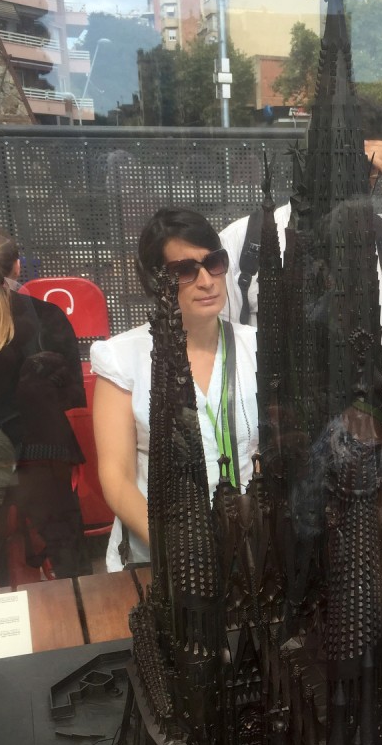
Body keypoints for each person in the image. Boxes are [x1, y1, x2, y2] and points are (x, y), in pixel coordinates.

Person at [91, 209, 259, 573]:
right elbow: (117, 478)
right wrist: (180, 551)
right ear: (156, 281)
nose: (207, 281)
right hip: (158, 557)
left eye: (214, 263)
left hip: (248, 552)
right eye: (185, 270)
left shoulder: (256, 346)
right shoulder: (122, 357)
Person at [219, 103, 382, 340]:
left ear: (377, 170)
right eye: (332, 162)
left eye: (359, 168)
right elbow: (222, 345)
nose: (342, 179)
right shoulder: (245, 240)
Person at [0, 226, 89, 584]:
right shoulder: (48, 316)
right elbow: (72, 394)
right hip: (44, 456)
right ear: (16, 266)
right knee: (69, 563)